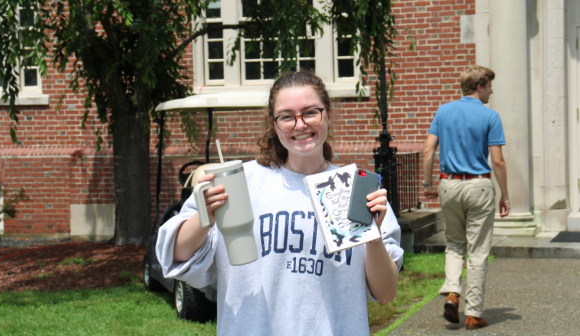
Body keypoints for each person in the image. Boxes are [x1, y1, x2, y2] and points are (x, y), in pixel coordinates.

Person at [156, 71, 403, 335]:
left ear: (328, 115)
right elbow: (174, 256)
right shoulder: (238, 182)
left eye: (310, 112)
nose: (300, 125)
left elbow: (386, 293)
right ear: (274, 124)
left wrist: (373, 236)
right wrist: (204, 218)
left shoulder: (356, 190)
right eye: (286, 116)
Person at [422, 65, 510, 330]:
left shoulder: (443, 111)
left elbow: (428, 151)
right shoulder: (490, 116)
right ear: (480, 87)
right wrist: (505, 195)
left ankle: (452, 293)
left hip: (449, 185)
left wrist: (428, 183)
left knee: (455, 244)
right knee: (479, 251)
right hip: (478, 186)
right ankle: (472, 314)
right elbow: (498, 161)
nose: (492, 91)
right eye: (490, 86)